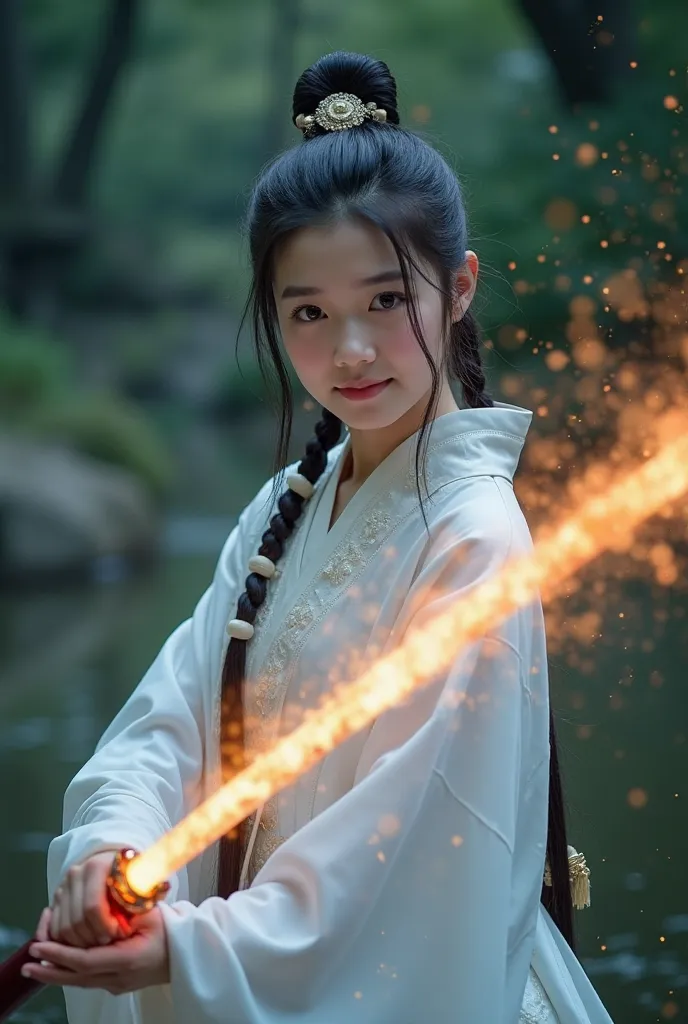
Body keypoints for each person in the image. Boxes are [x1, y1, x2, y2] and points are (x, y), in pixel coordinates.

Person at [23, 50, 615, 1024]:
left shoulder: (474, 544)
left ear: (457, 286)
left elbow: (416, 851)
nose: (350, 349)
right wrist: (111, 846)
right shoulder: (284, 507)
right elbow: (170, 718)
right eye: (308, 312)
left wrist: (190, 946)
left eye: (386, 300)